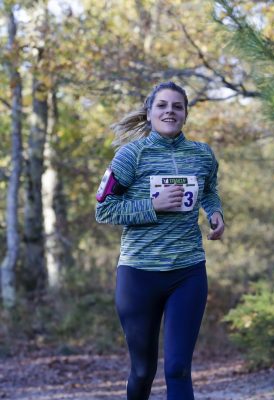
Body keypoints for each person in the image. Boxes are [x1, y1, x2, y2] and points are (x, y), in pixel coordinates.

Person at [95, 81, 224, 400]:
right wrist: (153, 205)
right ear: (150, 113)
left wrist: (215, 212)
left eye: (177, 106)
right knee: (142, 371)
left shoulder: (202, 155)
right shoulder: (130, 156)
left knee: (178, 368)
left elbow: (208, 190)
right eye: (162, 106)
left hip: (188, 272)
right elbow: (104, 209)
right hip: (139, 274)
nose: (170, 111)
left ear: (185, 114)